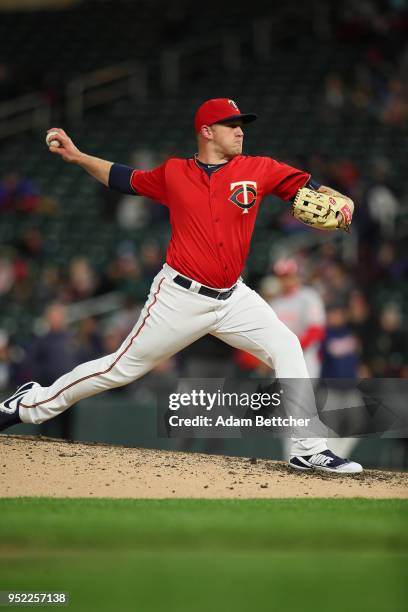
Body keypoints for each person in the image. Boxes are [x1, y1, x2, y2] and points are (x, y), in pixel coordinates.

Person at [0, 98, 362, 474]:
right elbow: (125, 179)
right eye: (231, 124)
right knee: (118, 370)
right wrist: (78, 157)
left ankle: (308, 448)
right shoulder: (174, 173)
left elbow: (311, 186)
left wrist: (340, 201)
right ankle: (28, 404)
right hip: (180, 297)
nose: (240, 131)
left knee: (287, 346)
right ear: (207, 131)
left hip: (234, 297)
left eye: (242, 124)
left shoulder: (259, 168)